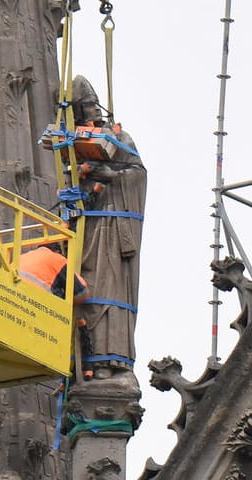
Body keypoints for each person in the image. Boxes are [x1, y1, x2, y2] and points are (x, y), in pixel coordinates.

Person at [66, 76, 146, 377]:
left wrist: (99, 170)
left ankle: (110, 360)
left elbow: (136, 175)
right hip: (83, 227)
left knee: (109, 286)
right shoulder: (69, 139)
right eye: (81, 108)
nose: (90, 113)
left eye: (90, 106)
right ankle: (82, 362)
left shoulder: (118, 138)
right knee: (83, 287)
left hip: (113, 225)